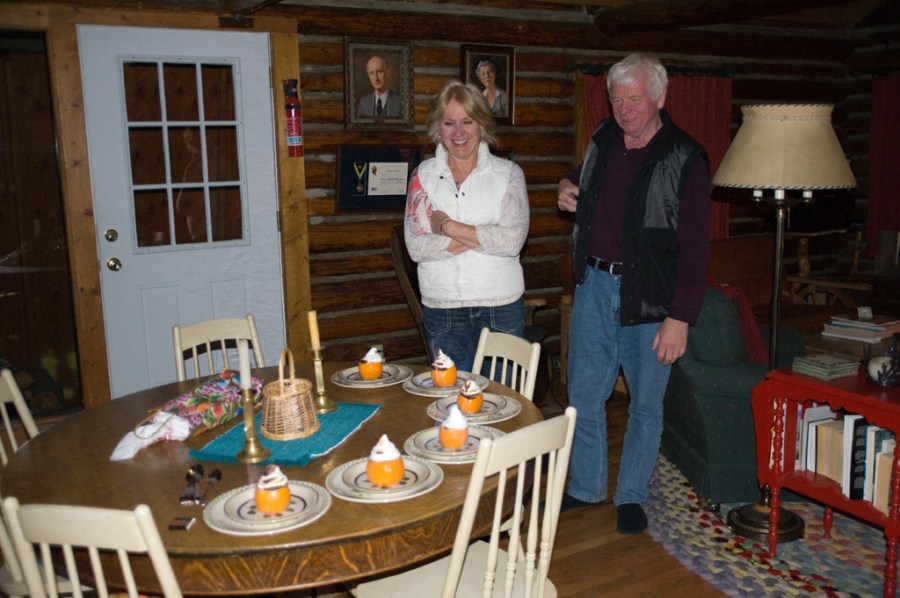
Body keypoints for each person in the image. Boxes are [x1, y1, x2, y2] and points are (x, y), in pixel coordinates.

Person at [556, 53, 710, 534]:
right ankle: (586, 486)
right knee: (583, 393)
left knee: (645, 404)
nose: (624, 109)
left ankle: (631, 496)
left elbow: (695, 248)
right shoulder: (603, 137)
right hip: (595, 286)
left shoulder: (686, 156)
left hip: (651, 298)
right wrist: (566, 184)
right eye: (617, 98)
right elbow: (583, 180)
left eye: (634, 99)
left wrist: (680, 317)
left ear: (661, 97)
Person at [404, 81, 529, 373]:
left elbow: (512, 242)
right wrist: (484, 234)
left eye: (467, 122)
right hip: (443, 308)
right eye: (449, 123)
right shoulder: (423, 176)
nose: (458, 133)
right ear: (438, 126)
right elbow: (416, 246)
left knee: (503, 405)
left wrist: (446, 226)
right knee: (452, 406)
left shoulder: (508, 174)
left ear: (481, 124)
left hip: (501, 307)